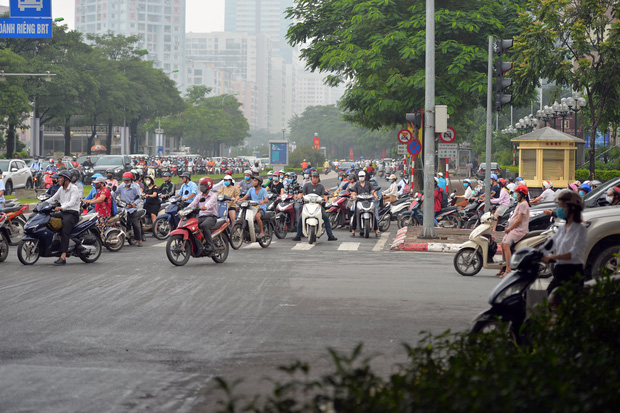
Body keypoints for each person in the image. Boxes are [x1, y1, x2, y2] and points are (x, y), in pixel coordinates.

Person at [541, 190, 587, 300]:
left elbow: (573, 253)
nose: (559, 209)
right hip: (560, 270)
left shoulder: (580, 229)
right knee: (549, 298)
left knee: (569, 302)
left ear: (573, 208)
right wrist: (538, 252)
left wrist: (552, 257)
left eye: (562, 206)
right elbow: (551, 243)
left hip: (573, 271)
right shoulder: (562, 228)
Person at [46, 170, 83, 265]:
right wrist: (42, 204)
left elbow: (72, 202)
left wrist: (61, 207)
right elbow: (53, 198)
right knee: (49, 218)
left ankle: (63, 256)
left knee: (65, 229)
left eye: (60, 178)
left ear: (66, 179)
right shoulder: (61, 189)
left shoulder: (74, 188)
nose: (58, 180)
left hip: (72, 213)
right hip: (63, 212)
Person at [292, 171, 338, 241]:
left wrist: (326, 200)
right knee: (301, 219)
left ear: (318, 178)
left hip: (318, 206)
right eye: (314, 177)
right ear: (311, 178)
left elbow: (324, 195)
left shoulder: (321, 186)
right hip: (307, 205)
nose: (315, 179)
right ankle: (298, 235)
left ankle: (330, 235)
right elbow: (302, 193)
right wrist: (299, 196)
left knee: (326, 218)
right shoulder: (306, 185)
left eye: (316, 178)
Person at [500, 184, 531, 277]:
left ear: (521, 194)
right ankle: (504, 267)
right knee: (502, 244)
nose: (515, 195)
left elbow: (519, 220)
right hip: (514, 229)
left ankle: (508, 270)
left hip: (519, 230)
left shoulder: (524, 204)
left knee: (506, 245)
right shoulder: (520, 203)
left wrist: (510, 228)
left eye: (517, 193)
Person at [188, 177, 218, 254]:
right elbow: (193, 204)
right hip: (201, 217)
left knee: (204, 226)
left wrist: (205, 207)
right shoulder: (199, 196)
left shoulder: (213, 196)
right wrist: (185, 210)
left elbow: (210, 203)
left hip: (211, 216)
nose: (201, 187)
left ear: (208, 186)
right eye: (200, 185)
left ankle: (210, 245)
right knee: (191, 226)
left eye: (203, 185)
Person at [114, 172, 144, 247]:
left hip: (132, 208)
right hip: (123, 208)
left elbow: (139, 198)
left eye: (127, 180)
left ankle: (139, 240)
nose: (126, 182)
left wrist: (134, 204)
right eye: (125, 180)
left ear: (131, 180)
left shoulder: (135, 188)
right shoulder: (121, 186)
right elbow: (115, 193)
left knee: (135, 224)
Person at [349, 170, 380, 238]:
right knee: (356, 215)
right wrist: (354, 196)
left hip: (368, 201)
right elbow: (354, 192)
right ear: (358, 177)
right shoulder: (357, 184)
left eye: (362, 176)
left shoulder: (368, 184)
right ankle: (353, 231)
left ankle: (376, 231)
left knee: (373, 214)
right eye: (360, 176)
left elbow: (372, 191)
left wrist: (375, 196)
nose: (361, 177)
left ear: (365, 176)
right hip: (359, 201)